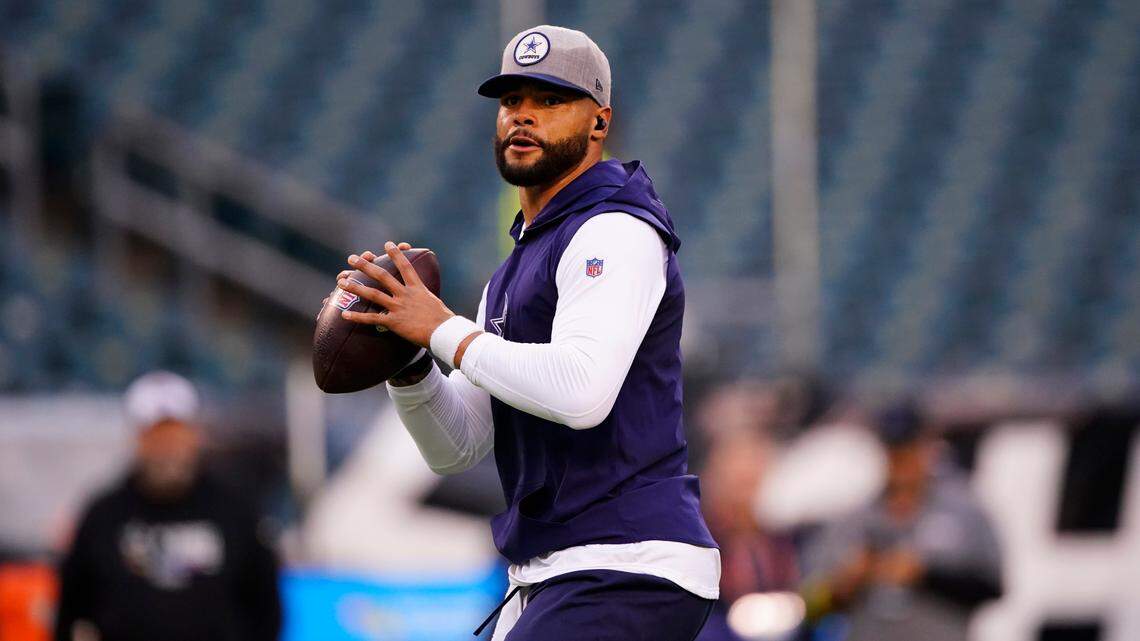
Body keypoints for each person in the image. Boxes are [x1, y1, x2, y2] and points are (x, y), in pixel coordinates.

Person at [333, 25, 719, 641]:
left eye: (550, 100)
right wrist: (409, 363)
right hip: (559, 569)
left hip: (626, 561)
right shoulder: (513, 272)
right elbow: (457, 447)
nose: (523, 115)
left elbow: (581, 393)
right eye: (512, 100)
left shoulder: (616, 229)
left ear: (599, 122)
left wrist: (443, 329)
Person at [54, 372, 282, 641]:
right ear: (138, 440)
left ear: (195, 435)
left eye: (175, 434)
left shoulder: (236, 510)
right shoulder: (103, 516)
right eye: (157, 437)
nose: (167, 448)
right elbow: (72, 609)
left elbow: (266, 608)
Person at [801, 401, 1002, 641]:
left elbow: (993, 588)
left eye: (909, 448)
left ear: (926, 447)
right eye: (893, 450)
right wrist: (843, 585)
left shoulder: (964, 512)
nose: (901, 460)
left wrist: (925, 575)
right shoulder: (853, 520)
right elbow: (807, 604)